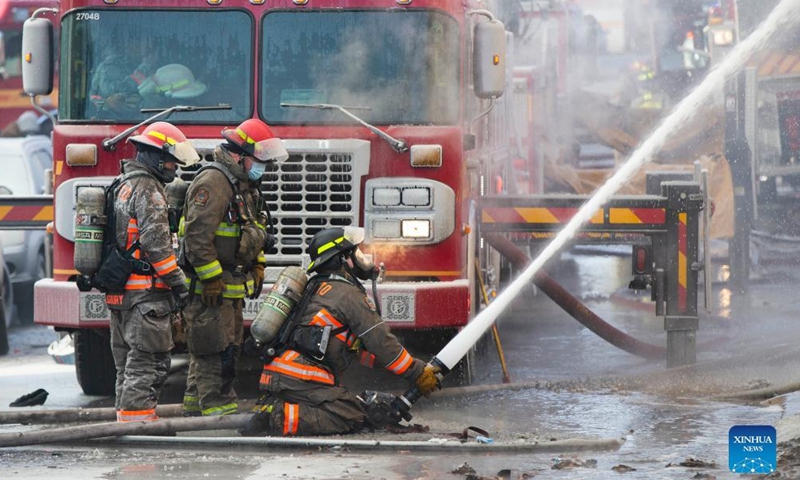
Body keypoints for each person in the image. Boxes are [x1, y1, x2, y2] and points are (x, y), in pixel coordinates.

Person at [239, 227, 441, 437]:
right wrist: (418, 372)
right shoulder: (348, 295)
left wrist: (390, 367)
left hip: (280, 376)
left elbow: (356, 349)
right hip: (302, 379)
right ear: (343, 259)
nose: (361, 259)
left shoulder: (315, 287)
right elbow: (381, 342)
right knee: (350, 414)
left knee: (353, 403)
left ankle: (276, 406)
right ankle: (276, 419)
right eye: (356, 253)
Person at [180, 118, 288, 417]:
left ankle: (193, 405)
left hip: (230, 284)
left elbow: (253, 228)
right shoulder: (214, 182)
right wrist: (211, 278)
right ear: (240, 155)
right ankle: (217, 411)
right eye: (259, 160)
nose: (262, 167)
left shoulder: (242, 184)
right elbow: (196, 237)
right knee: (216, 349)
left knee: (217, 345)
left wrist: (258, 265)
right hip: (211, 287)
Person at [108, 121, 200, 422]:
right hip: (146, 295)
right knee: (148, 362)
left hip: (121, 292)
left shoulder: (122, 184)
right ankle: (138, 424)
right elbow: (156, 245)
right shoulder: (149, 190)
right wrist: (179, 285)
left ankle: (125, 420)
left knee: (127, 365)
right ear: (155, 157)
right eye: (172, 160)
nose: (175, 167)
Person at [89, 44, 158, 117]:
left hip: (148, 118)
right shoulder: (108, 66)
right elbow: (103, 92)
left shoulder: (159, 66)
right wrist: (107, 103)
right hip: (112, 119)